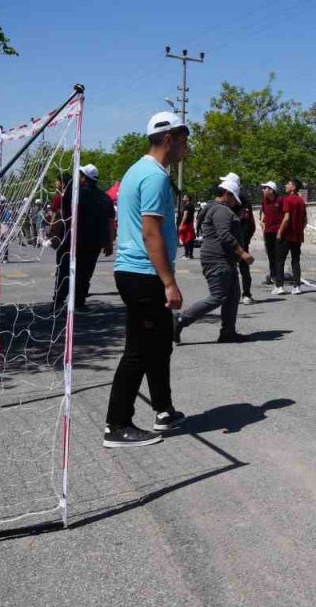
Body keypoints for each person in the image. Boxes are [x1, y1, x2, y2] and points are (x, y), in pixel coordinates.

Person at [103, 111, 189, 448]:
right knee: (138, 350)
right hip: (143, 274)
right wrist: (169, 282)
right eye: (183, 141)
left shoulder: (136, 171)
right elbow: (150, 231)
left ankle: (163, 410)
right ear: (168, 139)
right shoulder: (153, 176)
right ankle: (117, 424)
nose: (186, 147)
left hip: (137, 272)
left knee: (160, 343)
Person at [175, 177, 255, 343]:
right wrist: (243, 253)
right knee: (218, 296)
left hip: (225, 260)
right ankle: (181, 320)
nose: (235, 203)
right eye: (234, 198)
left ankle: (228, 332)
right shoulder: (221, 210)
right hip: (218, 260)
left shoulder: (217, 209)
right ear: (227, 194)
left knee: (233, 296)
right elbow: (224, 235)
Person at [54, 164, 115, 311]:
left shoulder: (72, 194)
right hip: (93, 243)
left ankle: (58, 302)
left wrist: (55, 234)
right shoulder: (104, 198)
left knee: (64, 272)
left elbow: (60, 213)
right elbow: (110, 222)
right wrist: (109, 243)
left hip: (71, 240)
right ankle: (79, 302)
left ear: (84, 178)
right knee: (85, 273)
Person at [274, 178, 307, 295]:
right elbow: (305, 220)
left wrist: (280, 232)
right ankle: (297, 286)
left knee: (280, 260)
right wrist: (299, 230)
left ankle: (279, 286)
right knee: (295, 261)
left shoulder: (287, 200)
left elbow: (286, 218)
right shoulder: (301, 201)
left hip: (287, 235)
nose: (285, 185)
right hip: (297, 236)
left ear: (293, 187)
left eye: (288, 184)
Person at [259, 181, 282, 286]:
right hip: (268, 232)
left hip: (278, 232)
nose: (263, 190)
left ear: (271, 190)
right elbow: (263, 214)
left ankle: (278, 277)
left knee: (278, 256)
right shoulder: (264, 201)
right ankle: (272, 275)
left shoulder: (280, 201)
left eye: (265, 188)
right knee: (270, 255)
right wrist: (262, 222)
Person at [237, 196, 256, 304]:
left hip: (239, 241)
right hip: (239, 241)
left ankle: (246, 295)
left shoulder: (242, 202)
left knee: (243, 268)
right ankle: (246, 295)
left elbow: (250, 224)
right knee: (243, 269)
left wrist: (245, 239)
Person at [179, 195, 197, 259]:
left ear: (187, 199)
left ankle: (186, 254)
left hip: (186, 224)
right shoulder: (192, 205)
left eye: (184, 198)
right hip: (190, 224)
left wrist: (181, 224)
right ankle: (190, 254)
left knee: (185, 238)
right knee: (190, 239)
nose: (183, 199)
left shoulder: (186, 206)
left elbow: (185, 215)